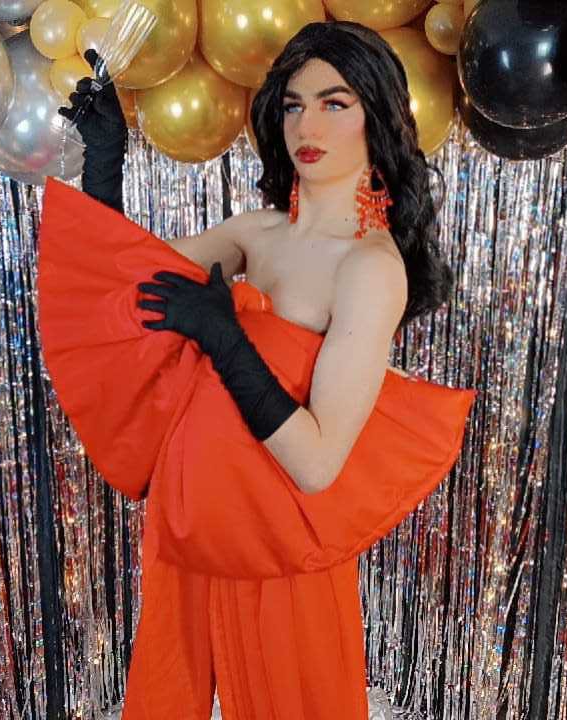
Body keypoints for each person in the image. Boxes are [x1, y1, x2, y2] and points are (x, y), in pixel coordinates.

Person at [39, 21, 476, 719]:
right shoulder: (255, 233)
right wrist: (104, 166)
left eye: (335, 103)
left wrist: (225, 339)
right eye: (294, 104)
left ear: (378, 116)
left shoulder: (369, 269)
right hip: (190, 526)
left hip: (279, 551)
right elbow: (122, 293)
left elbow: (318, 462)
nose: (307, 125)